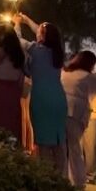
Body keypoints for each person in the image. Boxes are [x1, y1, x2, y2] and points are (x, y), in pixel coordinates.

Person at [14, 13, 69, 173]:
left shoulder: (35, 50)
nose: (37, 30)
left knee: (43, 142)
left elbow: (17, 40)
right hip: (58, 98)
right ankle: (62, 179)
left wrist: (18, 23)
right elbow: (44, 31)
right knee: (59, 141)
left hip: (41, 98)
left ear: (43, 36)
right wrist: (26, 20)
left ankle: (46, 177)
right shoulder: (57, 52)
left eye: (40, 30)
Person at [61, 51, 96, 189]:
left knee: (61, 148)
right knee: (75, 149)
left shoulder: (64, 73)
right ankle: (79, 181)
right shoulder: (89, 77)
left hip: (59, 110)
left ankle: (62, 177)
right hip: (76, 114)